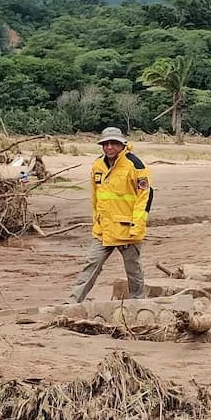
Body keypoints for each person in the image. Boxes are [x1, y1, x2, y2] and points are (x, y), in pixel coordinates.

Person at [67, 127, 153, 304]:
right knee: (90, 266)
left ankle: (139, 304)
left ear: (122, 144)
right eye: (106, 144)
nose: (109, 147)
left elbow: (144, 197)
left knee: (133, 270)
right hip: (103, 229)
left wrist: (137, 226)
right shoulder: (97, 165)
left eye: (113, 143)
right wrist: (96, 220)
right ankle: (72, 303)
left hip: (127, 229)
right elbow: (95, 197)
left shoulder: (135, 165)